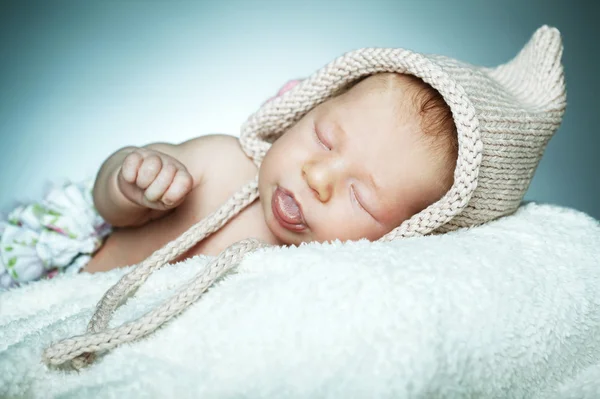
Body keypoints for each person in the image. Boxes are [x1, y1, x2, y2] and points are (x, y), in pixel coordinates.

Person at [82, 72, 457, 273]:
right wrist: (131, 182)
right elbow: (108, 209)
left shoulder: (320, 276)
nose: (318, 177)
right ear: (301, 112)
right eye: (324, 140)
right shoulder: (224, 163)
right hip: (74, 269)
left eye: (361, 197)